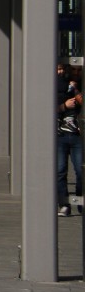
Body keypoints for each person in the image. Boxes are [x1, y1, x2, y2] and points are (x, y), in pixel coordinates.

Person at [55, 62, 83, 216]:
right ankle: (64, 204)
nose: (76, 73)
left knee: (80, 170)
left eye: (79, 70)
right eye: (73, 69)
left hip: (78, 136)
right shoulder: (57, 86)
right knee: (60, 170)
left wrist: (76, 89)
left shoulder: (77, 87)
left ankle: (79, 200)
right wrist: (64, 106)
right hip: (61, 135)